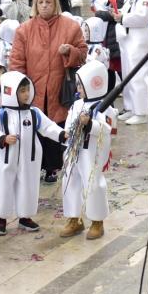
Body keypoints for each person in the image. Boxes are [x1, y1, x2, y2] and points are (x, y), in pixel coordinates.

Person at [9, 0, 88, 185]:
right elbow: (17, 61)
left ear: (55, 5)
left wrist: (69, 51)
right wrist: (19, 87)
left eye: (48, 2)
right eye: (41, 2)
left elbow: (83, 53)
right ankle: (34, 165)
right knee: (33, 126)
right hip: (33, 86)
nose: (44, 5)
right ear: (35, 5)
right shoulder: (24, 30)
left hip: (59, 86)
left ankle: (53, 167)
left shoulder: (70, 27)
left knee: (55, 125)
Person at [0, 72, 62, 236]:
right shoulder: (2, 114)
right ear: (10, 92)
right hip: (6, 158)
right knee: (3, 185)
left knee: (28, 185)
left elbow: (48, 127)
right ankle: (1, 218)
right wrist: (4, 138)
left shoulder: (33, 113)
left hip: (29, 157)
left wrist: (62, 134)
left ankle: (25, 216)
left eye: (27, 89)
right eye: (22, 91)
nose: (26, 94)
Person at [56, 60, 116, 240]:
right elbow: (68, 124)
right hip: (74, 150)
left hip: (91, 153)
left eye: (82, 84)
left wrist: (90, 124)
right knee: (70, 181)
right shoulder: (76, 105)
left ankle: (97, 221)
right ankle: (74, 218)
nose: (78, 88)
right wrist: (67, 134)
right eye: (78, 84)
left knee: (93, 183)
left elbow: (108, 130)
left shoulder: (106, 108)